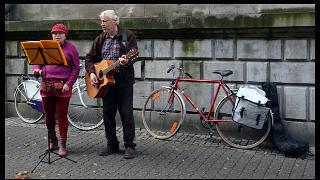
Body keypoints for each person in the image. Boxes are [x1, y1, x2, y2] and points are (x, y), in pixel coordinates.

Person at [85, 10, 139, 159]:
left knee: (126, 114)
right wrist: (92, 73)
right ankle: (112, 144)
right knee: (108, 114)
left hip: (124, 82)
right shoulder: (100, 39)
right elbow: (89, 58)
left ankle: (129, 145)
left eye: (105, 21)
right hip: (106, 84)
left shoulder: (127, 36)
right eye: (101, 21)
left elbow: (134, 55)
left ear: (115, 21)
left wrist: (126, 60)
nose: (102, 24)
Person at [32, 23, 80, 157]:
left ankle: (63, 144)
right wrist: (36, 70)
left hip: (63, 87)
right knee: (48, 116)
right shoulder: (45, 46)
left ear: (65, 35)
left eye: (60, 33)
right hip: (46, 86)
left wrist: (69, 84)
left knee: (61, 115)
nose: (57, 35)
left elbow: (76, 68)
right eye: (54, 33)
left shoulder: (71, 49)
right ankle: (52, 141)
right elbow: (37, 61)